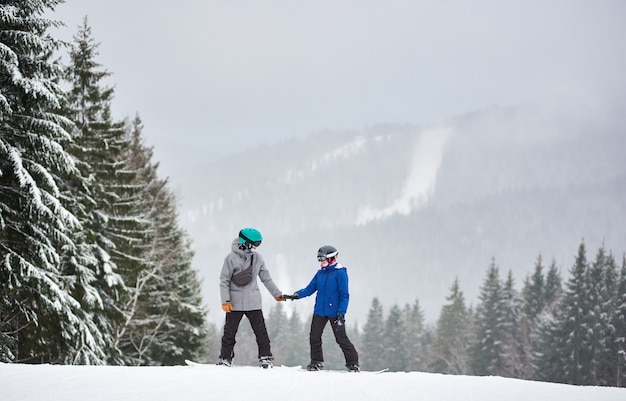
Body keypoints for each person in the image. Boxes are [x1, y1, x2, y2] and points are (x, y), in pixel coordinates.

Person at [218, 227, 285, 368]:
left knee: (261, 332)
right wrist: (225, 301)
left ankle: (266, 358)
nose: (256, 247)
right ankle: (225, 358)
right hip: (234, 303)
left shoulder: (258, 258)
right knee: (229, 333)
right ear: (245, 242)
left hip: (253, 302)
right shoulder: (230, 259)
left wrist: (277, 294)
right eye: (255, 243)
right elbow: (224, 280)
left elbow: (266, 279)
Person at [287, 245, 360, 372]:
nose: (320, 262)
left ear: (332, 258)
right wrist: (296, 295)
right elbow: (310, 289)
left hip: (335, 312)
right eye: (319, 259)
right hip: (320, 311)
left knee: (341, 338)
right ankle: (316, 362)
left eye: (322, 259)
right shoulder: (320, 273)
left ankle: (353, 363)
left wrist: (341, 313)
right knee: (314, 337)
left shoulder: (340, 273)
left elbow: (344, 295)